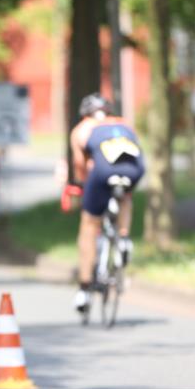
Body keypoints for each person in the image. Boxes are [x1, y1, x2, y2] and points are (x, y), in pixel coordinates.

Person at [66, 93, 145, 313]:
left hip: (102, 172)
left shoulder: (82, 128)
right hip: (134, 169)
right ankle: (124, 238)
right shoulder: (123, 124)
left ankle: (83, 290)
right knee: (125, 196)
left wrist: (83, 187)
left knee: (89, 225)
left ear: (84, 114)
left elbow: (79, 164)